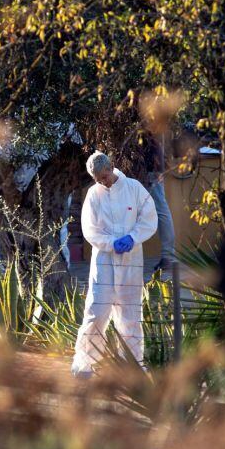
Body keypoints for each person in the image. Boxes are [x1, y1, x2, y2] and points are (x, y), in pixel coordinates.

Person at [72, 151, 158, 377]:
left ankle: (132, 364)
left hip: (131, 260)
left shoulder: (134, 188)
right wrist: (110, 243)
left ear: (111, 168)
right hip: (104, 261)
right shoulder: (93, 195)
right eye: (98, 179)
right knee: (96, 312)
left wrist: (133, 237)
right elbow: (89, 229)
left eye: (105, 176)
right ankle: (84, 363)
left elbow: (149, 218)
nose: (103, 182)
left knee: (130, 315)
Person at [139, 131, 175, 272]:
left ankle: (168, 256)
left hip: (150, 168)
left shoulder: (145, 115)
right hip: (152, 167)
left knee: (160, 209)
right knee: (160, 209)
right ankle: (168, 256)